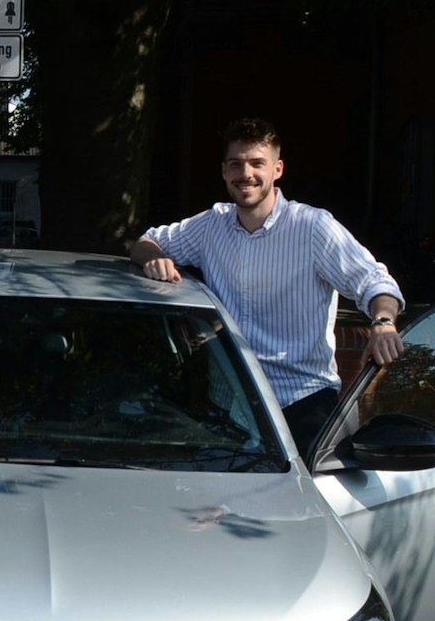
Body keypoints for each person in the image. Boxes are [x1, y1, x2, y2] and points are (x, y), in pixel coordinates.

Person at [130, 117, 405, 454]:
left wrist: (383, 322)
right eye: (236, 164)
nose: (246, 173)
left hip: (302, 407)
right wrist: (152, 259)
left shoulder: (313, 227)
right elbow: (145, 241)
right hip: (229, 407)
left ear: (278, 169)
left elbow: (374, 281)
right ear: (224, 171)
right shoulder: (210, 226)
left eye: (257, 163)